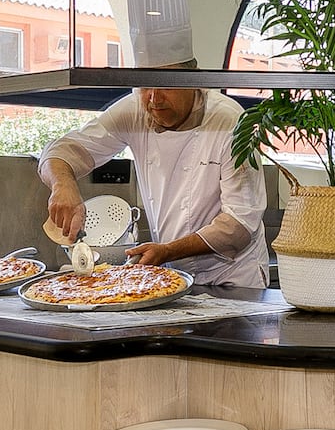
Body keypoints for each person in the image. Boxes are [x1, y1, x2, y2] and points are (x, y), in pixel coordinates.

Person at [38, 78, 269, 288]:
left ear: (192, 82)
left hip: (234, 278)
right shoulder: (135, 109)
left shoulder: (229, 120)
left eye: (166, 85)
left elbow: (238, 225)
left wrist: (168, 251)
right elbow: (62, 149)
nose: (154, 98)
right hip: (173, 276)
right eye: (145, 86)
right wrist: (62, 186)